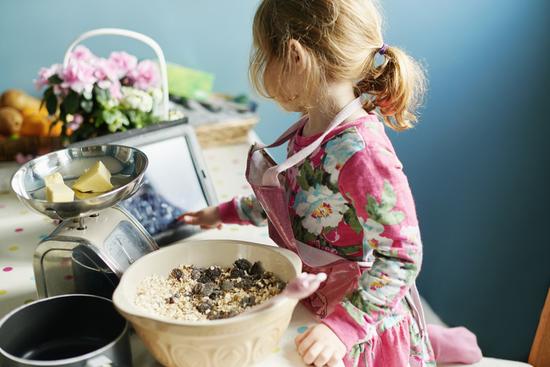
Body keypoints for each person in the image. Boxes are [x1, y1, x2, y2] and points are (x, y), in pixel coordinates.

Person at [181, 1, 481, 366]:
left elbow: (401, 256)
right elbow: (294, 198)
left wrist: (344, 328)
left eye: (265, 55)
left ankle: (428, 343)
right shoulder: (313, 128)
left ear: (294, 56)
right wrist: (224, 212)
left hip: (357, 325)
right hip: (320, 298)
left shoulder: (361, 154)